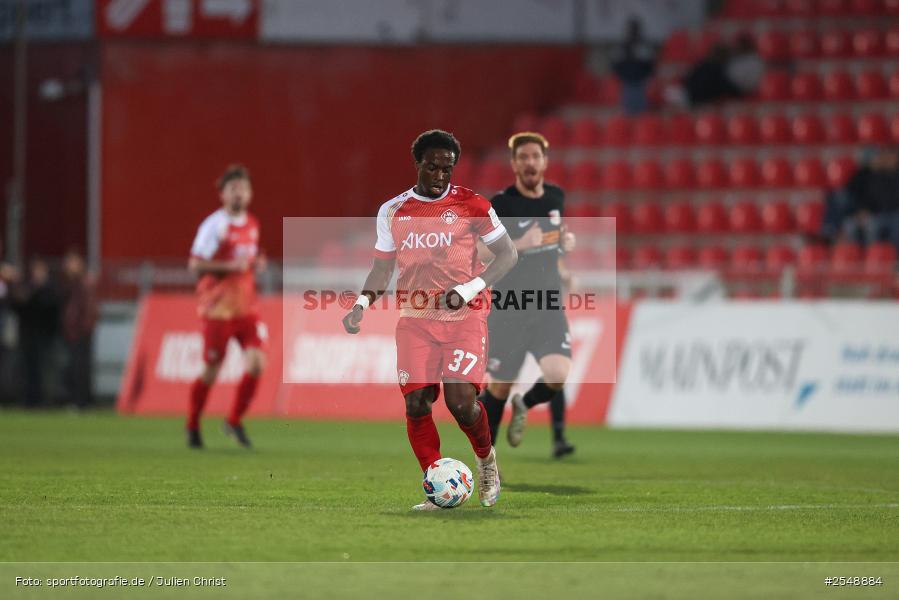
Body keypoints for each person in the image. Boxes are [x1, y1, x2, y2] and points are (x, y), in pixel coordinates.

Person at [341, 130, 518, 510]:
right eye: (433, 167)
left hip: (464, 315)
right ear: (418, 164)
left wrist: (471, 288)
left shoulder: (473, 205)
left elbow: (508, 255)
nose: (440, 175)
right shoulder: (393, 210)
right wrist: (361, 305)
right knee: (417, 404)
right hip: (416, 319)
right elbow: (381, 268)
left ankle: (486, 461)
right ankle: (437, 484)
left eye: (447, 169)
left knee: (460, 402)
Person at [478, 132, 577, 459]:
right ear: (514, 164)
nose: (530, 162)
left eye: (535, 156)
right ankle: (487, 461)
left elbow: (550, 244)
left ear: (545, 162)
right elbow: (480, 250)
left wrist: (562, 258)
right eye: (523, 157)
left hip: (547, 304)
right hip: (510, 308)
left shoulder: (555, 198)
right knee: (500, 388)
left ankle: (526, 403)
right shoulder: (502, 204)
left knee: (558, 374)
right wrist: (522, 243)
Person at [187, 164, 267, 449]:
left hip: (245, 309)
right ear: (223, 194)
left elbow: (248, 259)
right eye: (233, 189)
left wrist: (257, 263)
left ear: (250, 193)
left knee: (257, 364)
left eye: (243, 189)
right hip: (217, 310)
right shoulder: (214, 226)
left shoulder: (253, 224)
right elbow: (195, 265)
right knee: (211, 368)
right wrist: (228, 266)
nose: (239, 194)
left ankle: (233, 420)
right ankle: (193, 424)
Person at [10, 257, 60, 408]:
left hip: (44, 337)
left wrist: (34, 292)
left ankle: (44, 400)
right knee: (27, 369)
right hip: (27, 336)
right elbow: (18, 308)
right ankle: (28, 400)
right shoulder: (27, 288)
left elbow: (50, 309)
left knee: (44, 370)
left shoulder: (50, 289)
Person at [59, 249, 98, 409]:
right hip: (73, 330)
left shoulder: (83, 283)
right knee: (74, 367)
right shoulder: (70, 282)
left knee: (80, 367)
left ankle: (82, 401)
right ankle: (78, 399)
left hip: (81, 330)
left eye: (72, 262)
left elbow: (87, 308)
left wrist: (87, 325)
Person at [610, 18, 657, 115]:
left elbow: (650, 65)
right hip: (626, 83)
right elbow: (615, 64)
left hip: (640, 83)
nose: (633, 32)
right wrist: (622, 76)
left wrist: (646, 77)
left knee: (641, 113)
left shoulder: (644, 46)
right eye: (631, 29)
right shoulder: (622, 46)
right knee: (628, 113)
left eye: (635, 29)